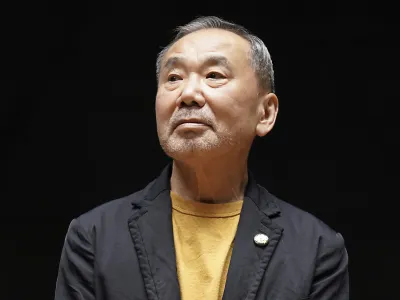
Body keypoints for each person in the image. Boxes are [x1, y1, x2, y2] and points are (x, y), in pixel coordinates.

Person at [54, 16, 349, 300]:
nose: (188, 93)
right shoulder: (95, 237)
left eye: (214, 76)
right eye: (173, 78)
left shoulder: (314, 248)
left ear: (266, 112)